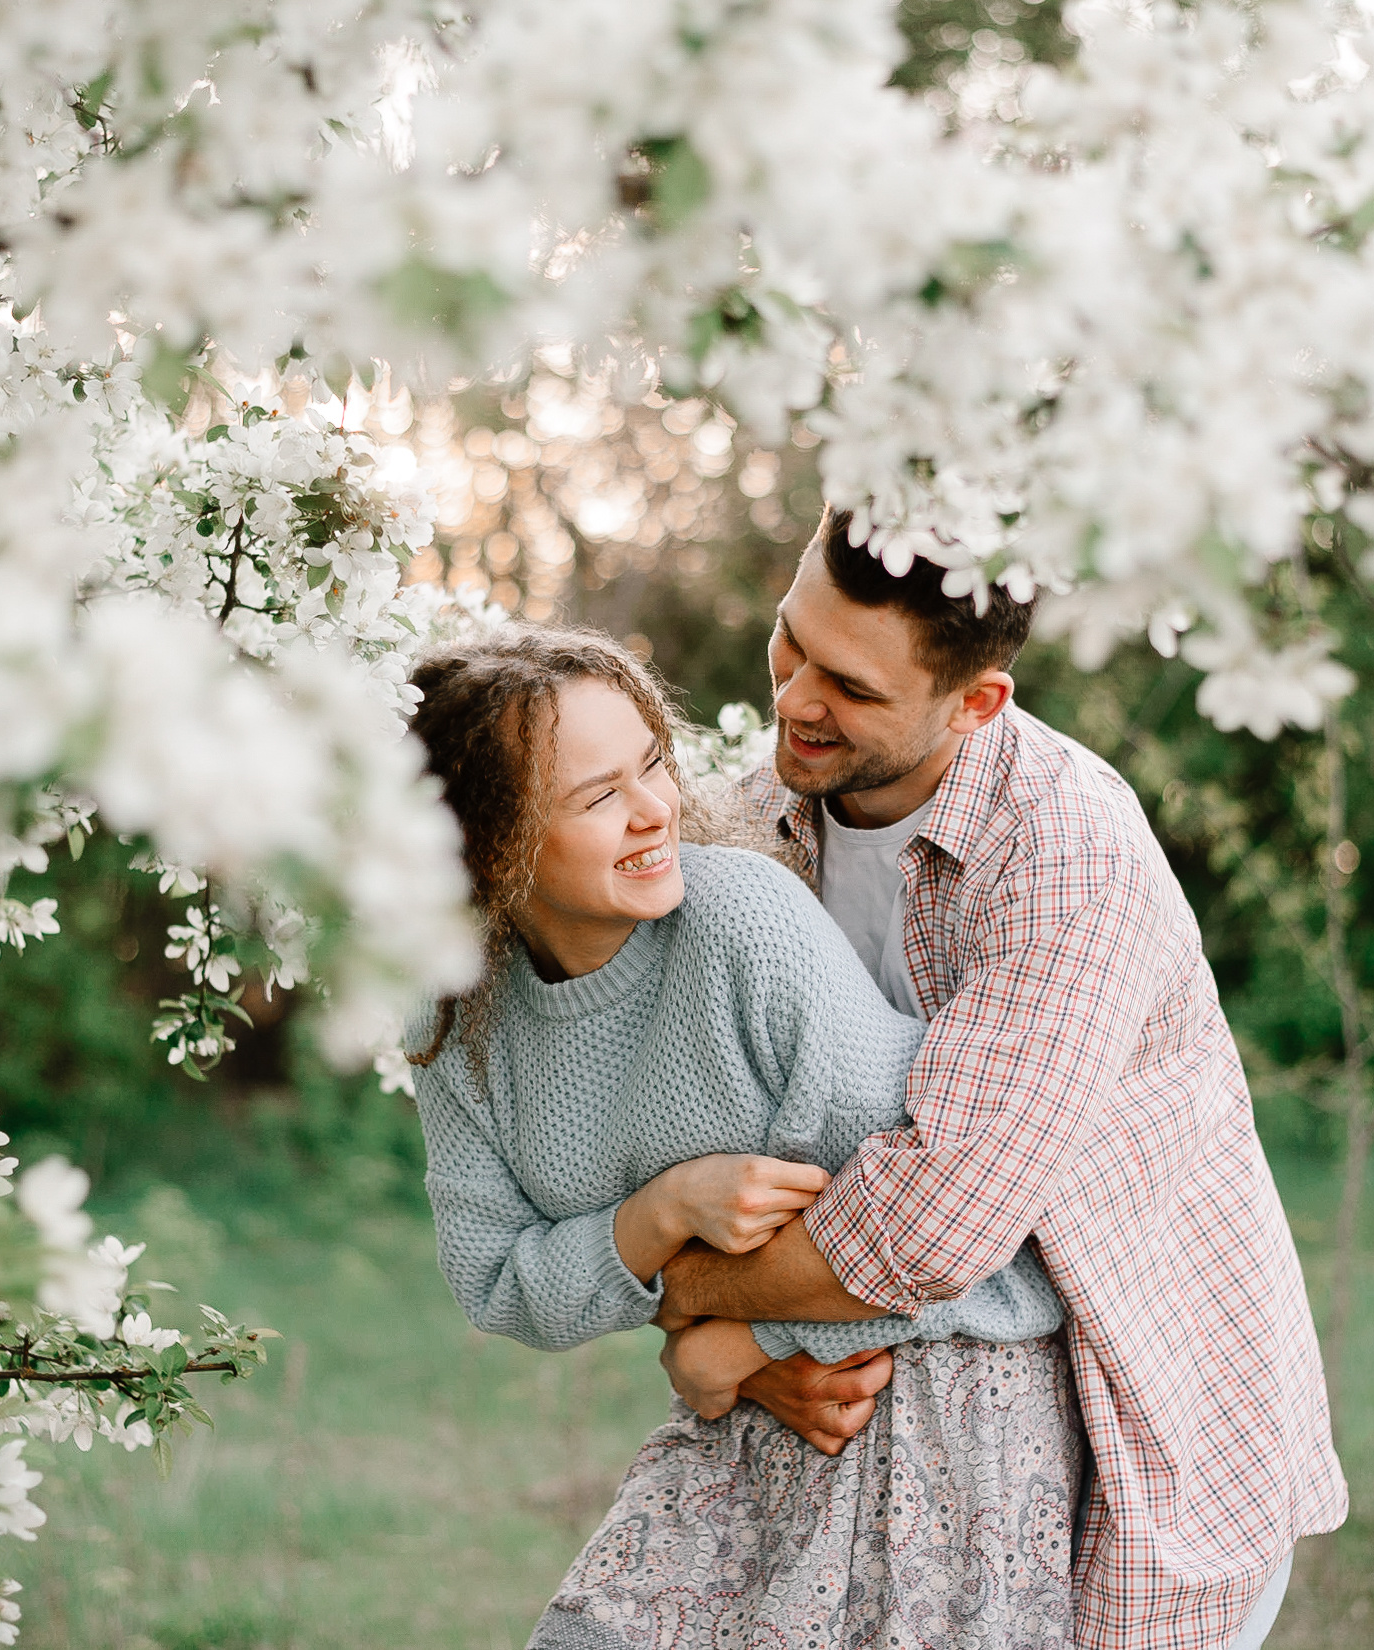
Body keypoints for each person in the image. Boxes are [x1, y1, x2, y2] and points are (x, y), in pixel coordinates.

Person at [650, 507, 1349, 1649]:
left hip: (1127, 1447)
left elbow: (933, 1222)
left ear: (976, 704)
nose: (795, 700)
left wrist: (693, 1302)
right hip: (895, 1455)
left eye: (852, 688)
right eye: (792, 640)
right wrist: (757, 1357)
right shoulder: (753, 819)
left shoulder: (1067, 851)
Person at [405, 627, 1086, 1650]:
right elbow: (498, 1280)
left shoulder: (740, 924)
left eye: (652, 765)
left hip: (945, 1399)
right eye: (598, 797)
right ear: (488, 844)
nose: (656, 811)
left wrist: (731, 1344)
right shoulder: (455, 1018)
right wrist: (661, 1214)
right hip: (755, 1415)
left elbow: (962, 1243)